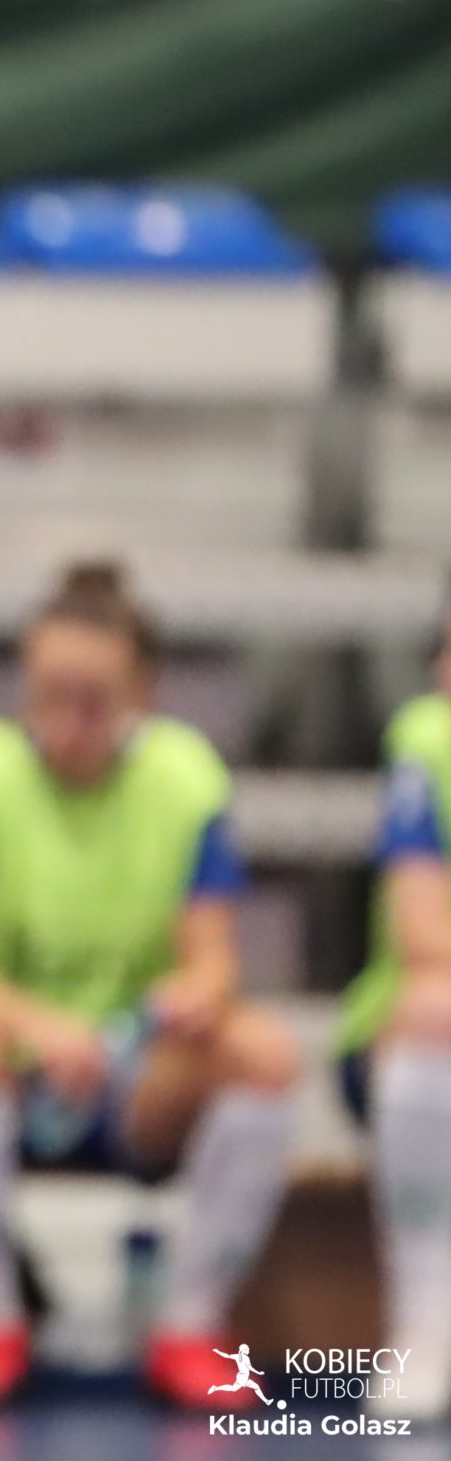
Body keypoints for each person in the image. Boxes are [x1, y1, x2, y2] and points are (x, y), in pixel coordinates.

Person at [0, 561, 298, 1412]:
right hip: (14, 1068)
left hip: (139, 1073)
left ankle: (190, 1325)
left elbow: (216, 960)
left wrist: (195, 996)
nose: (68, 719)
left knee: (263, 1053)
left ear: (142, 694)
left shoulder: (187, 777)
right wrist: (41, 1028)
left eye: (94, 698)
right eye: (49, 693)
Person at [333, 607, 451, 1425]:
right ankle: (426, 1321)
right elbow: (422, 934)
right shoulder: (427, 741)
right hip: (410, 1034)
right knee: (436, 1007)